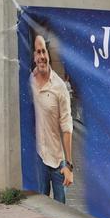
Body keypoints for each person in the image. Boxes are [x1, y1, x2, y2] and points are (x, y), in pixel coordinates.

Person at [30, 34, 73, 203]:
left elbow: (67, 126)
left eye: (44, 52)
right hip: (39, 156)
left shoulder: (59, 87)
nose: (42, 56)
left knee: (60, 208)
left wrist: (69, 165)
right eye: (38, 52)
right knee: (43, 205)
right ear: (34, 57)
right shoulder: (29, 81)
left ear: (48, 55)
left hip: (58, 160)